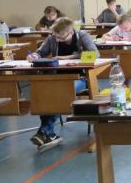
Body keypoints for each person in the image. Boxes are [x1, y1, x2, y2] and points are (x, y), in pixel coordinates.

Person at [26, 17, 98, 150]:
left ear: (71, 32)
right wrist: (34, 56)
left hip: (80, 78)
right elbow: (40, 52)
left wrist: (69, 57)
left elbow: (95, 54)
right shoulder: (52, 38)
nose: (57, 39)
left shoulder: (83, 36)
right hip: (57, 77)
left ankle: (44, 131)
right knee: (45, 92)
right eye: (56, 36)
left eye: (61, 37)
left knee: (60, 92)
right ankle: (48, 133)